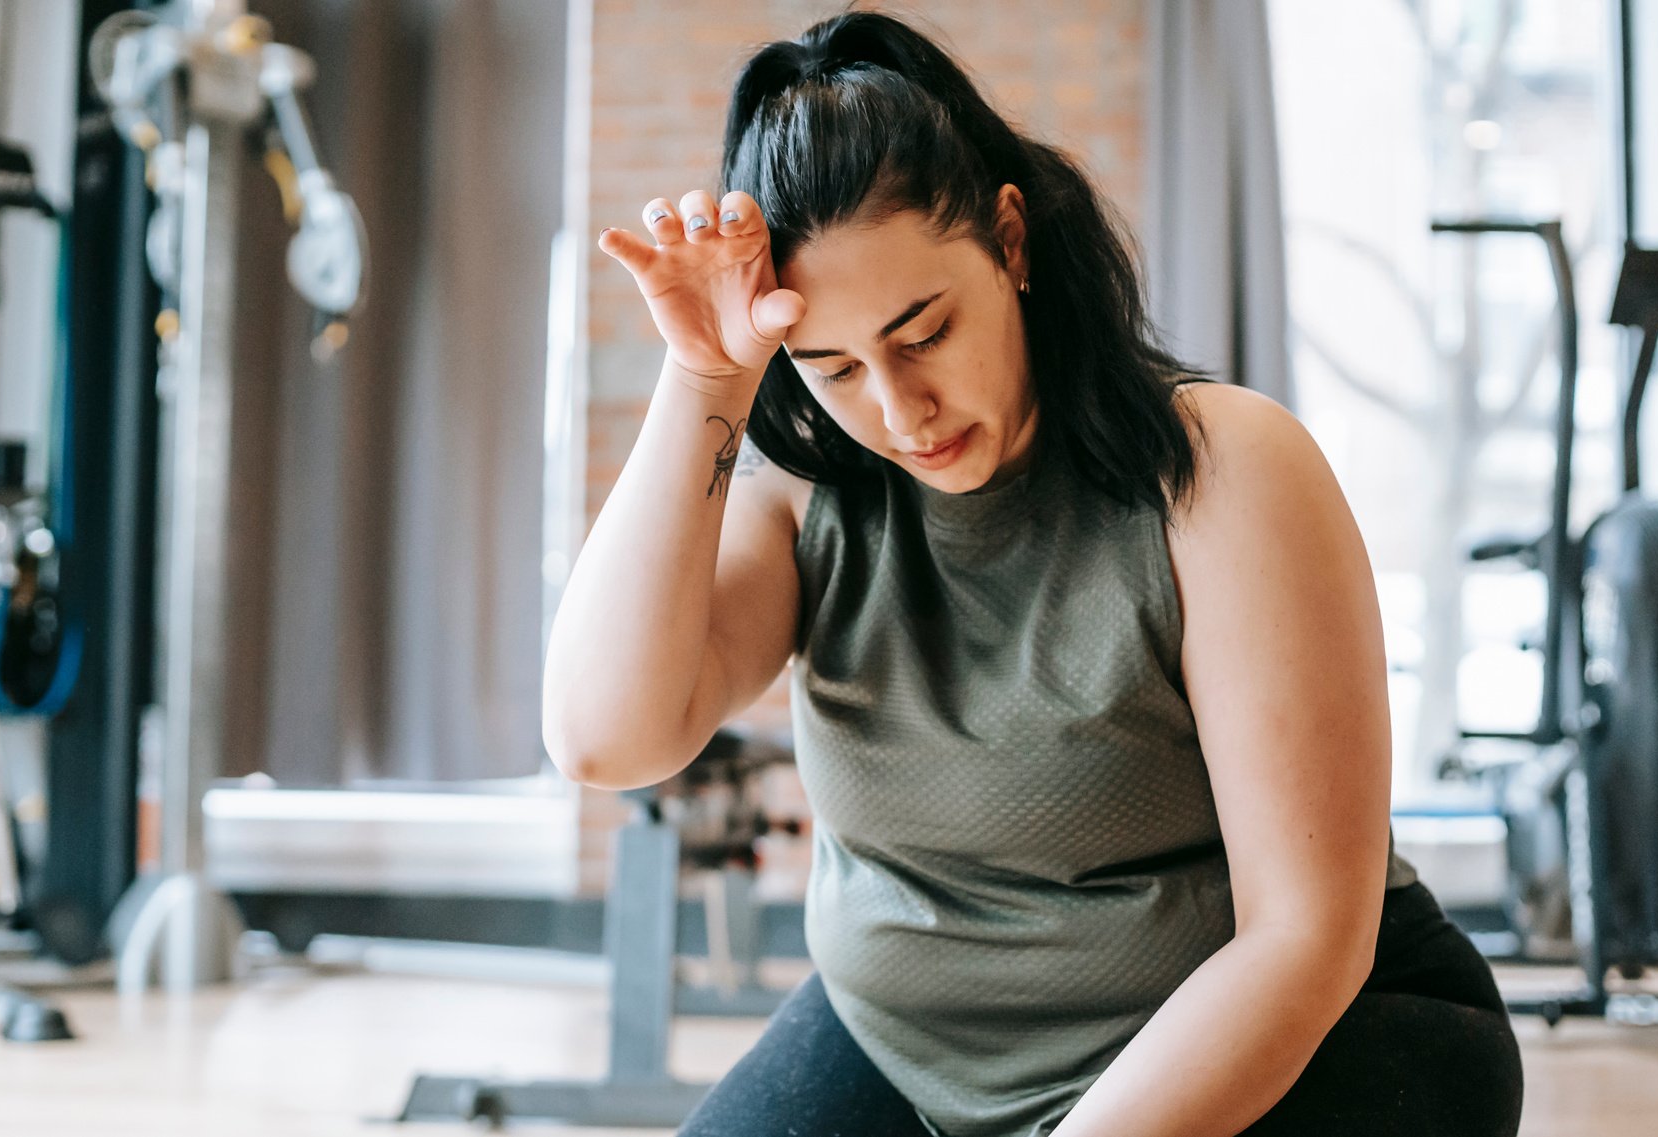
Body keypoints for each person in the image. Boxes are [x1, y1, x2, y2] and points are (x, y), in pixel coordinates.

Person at [542, 10, 1524, 1137]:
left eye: (921, 331)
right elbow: (602, 739)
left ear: (1008, 243)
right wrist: (703, 377)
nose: (897, 410)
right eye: (833, 368)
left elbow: (1303, 938)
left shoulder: (1220, 471)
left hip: (1310, 1037)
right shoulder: (807, 500)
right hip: (915, 1052)